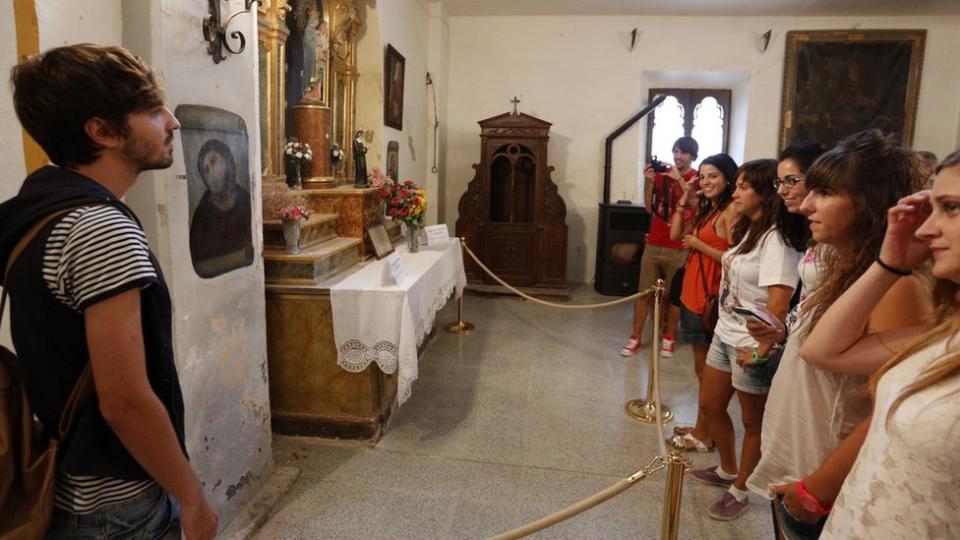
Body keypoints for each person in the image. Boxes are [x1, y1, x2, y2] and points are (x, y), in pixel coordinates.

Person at [0, 44, 217, 539]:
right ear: (101, 131)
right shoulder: (100, 229)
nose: (172, 122)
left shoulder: (40, 214)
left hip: (69, 486)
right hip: (114, 505)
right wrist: (192, 496)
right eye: (151, 109)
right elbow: (125, 400)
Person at [744, 131, 929, 539]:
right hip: (801, 459)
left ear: (868, 203)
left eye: (825, 193)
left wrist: (816, 489)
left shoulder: (895, 286)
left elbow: (887, 405)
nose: (807, 203)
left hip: (824, 476)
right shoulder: (847, 266)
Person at [796, 149, 960, 539]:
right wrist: (889, 263)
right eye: (930, 207)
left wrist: (816, 488)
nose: (924, 230)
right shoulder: (947, 332)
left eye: (951, 208)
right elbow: (821, 351)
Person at [690, 159, 807, 521]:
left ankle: (741, 488)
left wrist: (761, 350)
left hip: (750, 343)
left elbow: (778, 301)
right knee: (710, 405)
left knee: (752, 422)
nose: (735, 192)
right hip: (725, 333)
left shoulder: (776, 239)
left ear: (763, 193)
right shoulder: (748, 229)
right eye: (736, 185)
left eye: (743, 186)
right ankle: (726, 468)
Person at [666, 153, 739, 452]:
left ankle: (704, 434)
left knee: (706, 372)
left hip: (709, 296)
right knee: (702, 370)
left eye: (714, 176)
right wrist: (685, 196)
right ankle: (700, 427)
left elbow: (735, 259)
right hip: (693, 292)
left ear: (728, 179)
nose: (707, 181)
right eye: (704, 176)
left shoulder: (731, 210)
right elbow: (673, 234)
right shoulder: (709, 209)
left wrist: (698, 245)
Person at [622, 136, 699, 358]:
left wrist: (678, 180)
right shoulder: (662, 177)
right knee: (644, 292)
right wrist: (648, 181)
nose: (678, 156)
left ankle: (669, 337)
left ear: (692, 155)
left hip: (680, 245)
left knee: (672, 295)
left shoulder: (696, 178)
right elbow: (649, 207)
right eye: (675, 151)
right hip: (655, 242)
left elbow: (695, 204)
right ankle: (635, 337)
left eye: (683, 152)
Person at [188, 138, 254, 278]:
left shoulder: (245, 201)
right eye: (205, 169)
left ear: (228, 162)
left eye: (213, 162)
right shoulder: (202, 217)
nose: (210, 173)